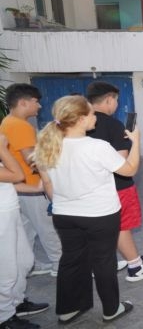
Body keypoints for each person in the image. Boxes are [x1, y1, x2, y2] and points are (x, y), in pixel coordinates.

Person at [33, 95, 138, 324]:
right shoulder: (97, 147)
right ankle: (112, 309)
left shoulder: (48, 145)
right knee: (103, 261)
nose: (94, 118)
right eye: (91, 114)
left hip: (64, 214)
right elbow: (128, 170)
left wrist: (65, 202)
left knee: (71, 260)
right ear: (80, 119)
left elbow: (48, 184)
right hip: (99, 214)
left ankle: (69, 309)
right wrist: (135, 142)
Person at [86, 82, 143, 283]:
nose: (116, 104)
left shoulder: (77, 124)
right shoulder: (113, 125)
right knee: (121, 226)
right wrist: (135, 142)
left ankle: (102, 264)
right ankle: (136, 266)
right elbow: (121, 163)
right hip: (117, 186)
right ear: (108, 99)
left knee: (100, 227)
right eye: (116, 100)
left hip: (89, 187)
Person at [0, 84, 62, 278]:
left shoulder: (7, 122)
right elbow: (31, 158)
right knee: (48, 229)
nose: (39, 106)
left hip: (19, 189)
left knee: (26, 231)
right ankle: (60, 265)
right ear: (23, 102)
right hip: (33, 186)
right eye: (36, 102)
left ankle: (28, 265)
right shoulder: (21, 126)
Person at [0, 133, 46, 329]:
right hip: (2, 217)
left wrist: (38, 188)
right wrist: (2, 148)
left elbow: (9, 182)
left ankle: (15, 304)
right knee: (6, 270)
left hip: (10, 211)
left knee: (25, 261)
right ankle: (4, 317)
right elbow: (16, 175)